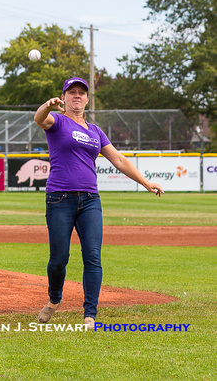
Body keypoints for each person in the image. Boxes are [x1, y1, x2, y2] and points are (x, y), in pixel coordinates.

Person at [33, 77, 164, 329]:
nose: (77, 96)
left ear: (87, 99)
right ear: (65, 97)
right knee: (59, 259)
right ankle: (54, 300)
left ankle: (89, 314)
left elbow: (119, 160)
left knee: (92, 256)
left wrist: (146, 182)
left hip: (90, 200)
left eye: (82, 93)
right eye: (72, 92)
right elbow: (40, 119)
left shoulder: (95, 131)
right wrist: (47, 105)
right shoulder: (57, 121)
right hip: (60, 198)